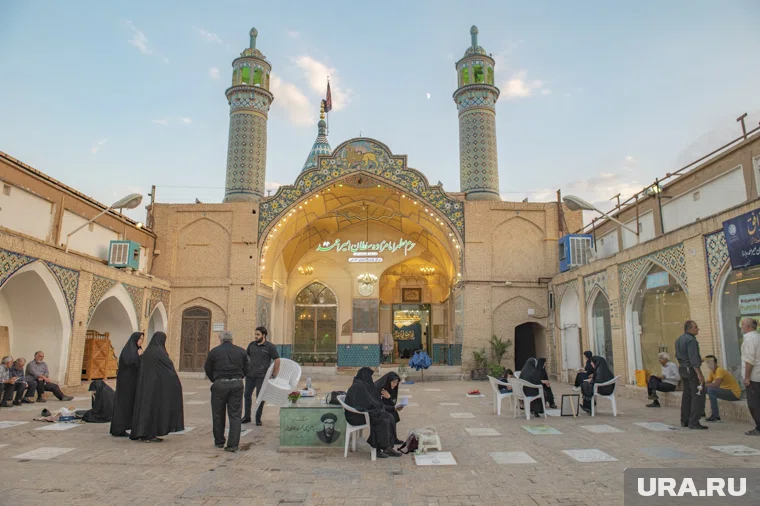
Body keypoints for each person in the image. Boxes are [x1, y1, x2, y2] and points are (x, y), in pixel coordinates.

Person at [130, 332, 184, 442]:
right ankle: (149, 434)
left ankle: (140, 432)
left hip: (145, 387)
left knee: (145, 409)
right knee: (153, 410)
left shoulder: (147, 352)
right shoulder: (160, 352)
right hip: (156, 387)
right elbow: (169, 369)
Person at [204, 330, 249, 452]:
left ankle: (219, 441)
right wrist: (240, 376)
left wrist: (214, 379)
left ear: (221, 339)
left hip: (220, 384)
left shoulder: (214, 352)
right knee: (235, 415)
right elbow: (247, 367)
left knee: (218, 413)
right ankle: (233, 444)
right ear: (232, 339)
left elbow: (207, 368)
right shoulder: (241, 351)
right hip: (236, 384)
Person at [344, 367, 401, 458]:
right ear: (365, 376)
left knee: (389, 416)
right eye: (370, 377)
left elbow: (370, 402)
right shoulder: (359, 386)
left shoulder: (363, 385)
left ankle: (388, 447)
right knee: (382, 419)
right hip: (356, 416)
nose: (371, 379)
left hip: (362, 413)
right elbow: (366, 403)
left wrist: (379, 407)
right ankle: (377, 449)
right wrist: (377, 408)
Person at [243, 326, 280, 426]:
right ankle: (247, 416)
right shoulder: (251, 345)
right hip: (250, 376)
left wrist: (274, 374)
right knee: (247, 395)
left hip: (262, 377)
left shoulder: (270, 347)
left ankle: (258, 418)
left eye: (258, 334)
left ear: (264, 335)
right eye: (255, 334)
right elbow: (246, 357)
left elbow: (277, 360)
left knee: (260, 397)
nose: (256, 336)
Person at [111, 332, 144, 437]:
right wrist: (139, 356)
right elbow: (130, 362)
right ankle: (118, 429)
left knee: (130, 405)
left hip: (132, 383)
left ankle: (126, 426)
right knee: (123, 405)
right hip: (125, 383)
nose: (142, 341)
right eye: (140, 339)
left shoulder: (136, 350)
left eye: (142, 339)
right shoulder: (128, 350)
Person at [675, 320, 707, 430]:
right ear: (690, 329)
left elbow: (678, 355)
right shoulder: (691, 340)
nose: (698, 329)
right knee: (698, 394)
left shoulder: (679, 339)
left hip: (682, 368)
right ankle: (694, 422)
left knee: (687, 394)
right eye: (696, 327)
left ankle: (685, 420)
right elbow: (693, 358)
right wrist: (699, 374)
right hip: (691, 369)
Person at [703, 354, 741, 422]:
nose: (708, 365)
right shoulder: (712, 372)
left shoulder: (719, 370)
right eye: (707, 363)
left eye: (709, 362)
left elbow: (716, 385)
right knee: (702, 389)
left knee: (711, 390)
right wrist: (702, 385)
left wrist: (704, 385)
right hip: (725, 391)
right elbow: (707, 383)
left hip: (734, 393)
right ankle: (701, 412)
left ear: (714, 363)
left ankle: (715, 416)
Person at [740, 317, 760, 436]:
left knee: (754, 404)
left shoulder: (750, 339)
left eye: (742, 325)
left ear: (748, 326)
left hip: (754, 377)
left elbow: (749, 360)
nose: (741, 327)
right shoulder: (757, 337)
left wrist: (747, 377)